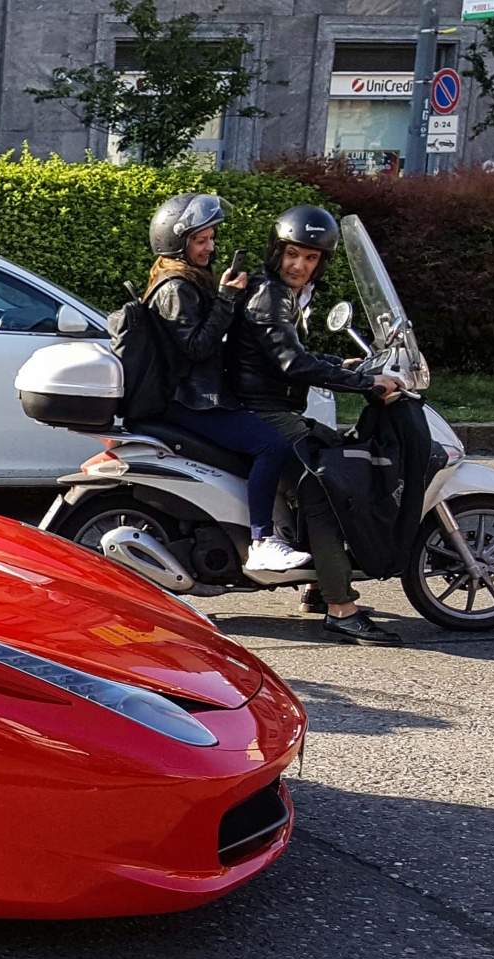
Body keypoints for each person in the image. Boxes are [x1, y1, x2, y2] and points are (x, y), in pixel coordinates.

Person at [227, 204, 408, 647]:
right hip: (261, 411)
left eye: (310, 258)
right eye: (292, 254)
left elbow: (286, 355)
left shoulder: (286, 295)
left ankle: (315, 585)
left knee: (331, 457)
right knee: (324, 486)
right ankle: (340, 608)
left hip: (272, 406)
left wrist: (342, 363)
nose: (300, 265)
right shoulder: (270, 294)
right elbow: (291, 362)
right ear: (277, 252)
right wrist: (364, 382)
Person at [139, 193, 300, 577]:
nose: (210, 247)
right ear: (176, 241)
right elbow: (196, 347)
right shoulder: (174, 287)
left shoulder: (187, 279)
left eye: (211, 238)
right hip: (190, 401)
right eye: (201, 240)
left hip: (203, 394)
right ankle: (261, 541)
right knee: (270, 445)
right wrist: (227, 299)